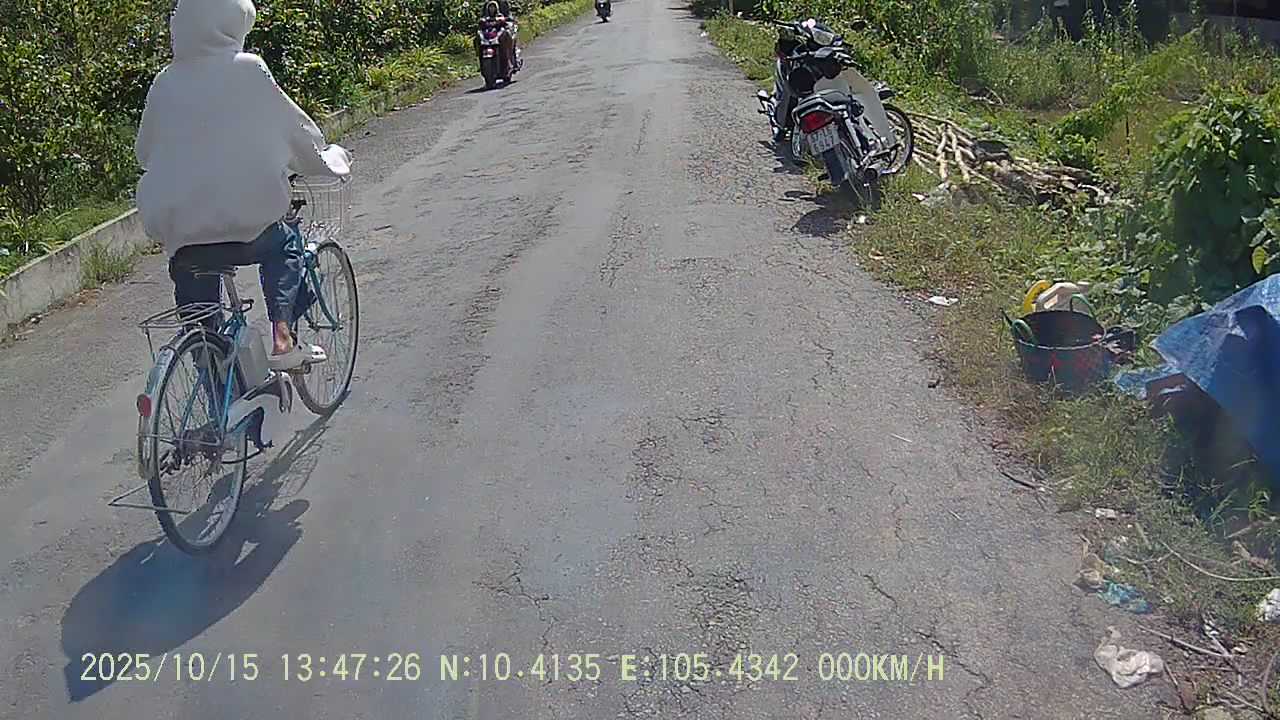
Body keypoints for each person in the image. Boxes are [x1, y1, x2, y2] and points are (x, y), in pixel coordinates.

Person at [134, 0, 352, 371]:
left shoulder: (164, 82)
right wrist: (328, 160)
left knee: (202, 326)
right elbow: (296, 132)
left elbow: (144, 153)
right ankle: (282, 338)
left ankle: (210, 379)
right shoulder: (249, 70)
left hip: (183, 235)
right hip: (248, 233)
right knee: (285, 243)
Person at [479, 0, 518, 77]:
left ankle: (510, 61)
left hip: (502, 28)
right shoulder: (486, 4)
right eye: (490, 8)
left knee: (507, 34)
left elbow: (509, 17)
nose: (492, 9)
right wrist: (482, 21)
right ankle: (481, 61)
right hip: (490, 31)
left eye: (493, 8)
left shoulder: (503, 3)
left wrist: (505, 19)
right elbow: (482, 17)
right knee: (478, 37)